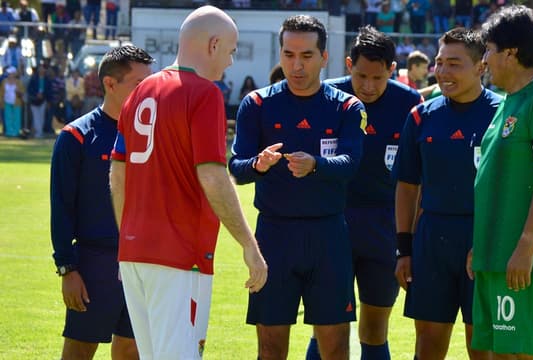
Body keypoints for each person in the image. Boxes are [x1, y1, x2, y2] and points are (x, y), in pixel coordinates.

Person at [109, 6, 268, 358]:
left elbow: (117, 174)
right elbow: (212, 175)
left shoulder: (137, 92)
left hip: (133, 253)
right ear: (213, 45)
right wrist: (249, 244)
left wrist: (127, 238)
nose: (229, 62)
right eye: (230, 50)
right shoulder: (204, 93)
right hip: (179, 256)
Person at [229, 14, 366, 360]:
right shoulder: (257, 104)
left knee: (335, 345)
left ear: (324, 57)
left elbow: (351, 163)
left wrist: (316, 165)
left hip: (328, 236)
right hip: (274, 236)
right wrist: (257, 164)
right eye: (289, 54)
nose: (297, 65)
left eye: (306, 56)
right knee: (271, 347)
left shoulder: (347, 106)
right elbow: (236, 168)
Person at [305, 25, 422, 360]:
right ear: (347, 64)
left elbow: (417, 177)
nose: (368, 87)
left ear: (392, 71)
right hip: (332, 225)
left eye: (378, 78)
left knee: (373, 326)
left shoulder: (410, 104)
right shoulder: (325, 97)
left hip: (384, 226)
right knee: (328, 327)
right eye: (360, 76)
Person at [470, 6, 533, 359]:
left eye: (488, 50)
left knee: (527, 353)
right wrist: (480, 244)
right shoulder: (509, 102)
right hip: (495, 254)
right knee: (502, 353)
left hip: (524, 259)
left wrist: (527, 245)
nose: (484, 60)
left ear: (511, 53)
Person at [394, 27, 501, 360]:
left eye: (454, 64)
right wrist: (404, 249)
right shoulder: (421, 115)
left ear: (481, 66)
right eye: (439, 63)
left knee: (482, 344)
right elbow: (407, 186)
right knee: (427, 344)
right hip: (432, 238)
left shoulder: (504, 114)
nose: (442, 71)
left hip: (484, 239)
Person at [50, 45, 154, 360]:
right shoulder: (76, 137)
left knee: (131, 349)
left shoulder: (151, 136)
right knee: (80, 350)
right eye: (139, 85)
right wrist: (68, 269)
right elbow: (61, 209)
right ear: (110, 84)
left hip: (142, 263)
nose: (147, 92)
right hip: (95, 262)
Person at [0, 66, 24, 137]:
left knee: (17, 118)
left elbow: (22, 92)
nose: (10, 74)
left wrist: (18, 91)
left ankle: (16, 132)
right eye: (9, 73)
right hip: (6, 102)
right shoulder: (4, 82)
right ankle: (9, 132)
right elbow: (1, 92)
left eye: (11, 73)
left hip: (16, 103)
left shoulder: (19, 82)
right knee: (8, 117)